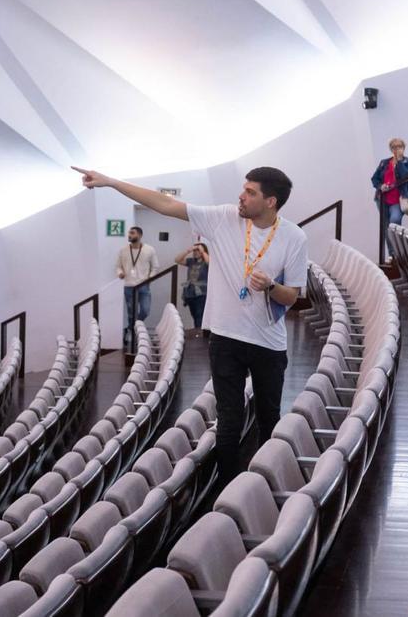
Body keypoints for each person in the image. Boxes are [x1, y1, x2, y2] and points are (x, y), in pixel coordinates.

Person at [73, 164, 309, 489]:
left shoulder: (294, 237)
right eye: (244, 188)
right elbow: (166, 204)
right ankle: (228, 494)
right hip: (226, 337)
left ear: (271, 201)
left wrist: (270, 286)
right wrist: (111, 183)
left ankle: (266, 488)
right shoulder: (223, 217)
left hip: (268, 342)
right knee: (229, 420)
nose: (241, 196)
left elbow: (293, 296)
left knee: (269, 420)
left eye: (250, 192)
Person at [372, 137, 408, 261]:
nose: (397, 149)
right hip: (383, 199)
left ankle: (399, 253)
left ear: (403, 148)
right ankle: (393, 255)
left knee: (395, 221)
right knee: (386, 226)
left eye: (399, 146)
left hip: (399, 199)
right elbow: (374, 179)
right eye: (394, 147)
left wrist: (399, 162)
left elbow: (407, 177)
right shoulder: (384, 162)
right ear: (391, 149)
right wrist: (381, 186)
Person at [116, 225, 160, 345]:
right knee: (131, 312)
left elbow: (155, 267)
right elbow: (118, 266)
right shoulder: (123, 250)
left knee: (145, 310)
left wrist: (149, 279)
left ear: (139, 235)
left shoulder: (149, 249)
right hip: (129, 286)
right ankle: (132, 331)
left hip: (144, 285)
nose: (130, 235)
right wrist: (120, 273)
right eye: (129, 233)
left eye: (133, 233)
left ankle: (131, 327)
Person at [176, 242, 210, 335]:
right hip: (191, 293)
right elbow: (177, 260)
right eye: (194, 251)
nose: (195, 252)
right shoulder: (191, 261)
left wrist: (203, 252)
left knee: (200, 315)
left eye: (197, 251)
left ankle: (200, 334)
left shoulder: (205, 262)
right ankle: (198, 332)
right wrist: (188, 250)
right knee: (195, 315)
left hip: (202, 293)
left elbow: (209, 262)